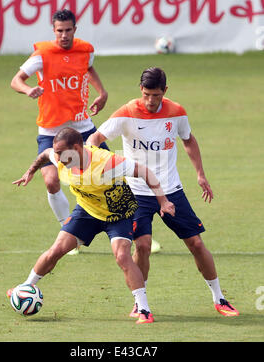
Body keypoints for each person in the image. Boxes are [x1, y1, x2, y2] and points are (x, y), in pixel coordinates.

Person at [87, 67, 239, 317]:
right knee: (143, 246)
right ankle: (140, 304)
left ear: (164, 92)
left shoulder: (176, 112)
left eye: (155, 95)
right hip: (136, 193)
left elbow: (188, 140)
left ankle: (219, 298)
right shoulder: (126, 113)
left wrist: (200, 174)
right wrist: (104, 164)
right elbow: (94, 140)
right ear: (141, 90)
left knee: (196, 243)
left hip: (170, 191)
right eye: (146, 94)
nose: (150, 100)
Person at [9, 127, 175, 324]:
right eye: (57, 152)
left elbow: (145, 172)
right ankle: (26, 288)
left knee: (122, 256)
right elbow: (44, 155)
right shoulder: (58, 158)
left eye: (62, 153)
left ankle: (143, 309)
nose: (59, 157)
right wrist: (30, 171)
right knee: (56, 250)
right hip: (87, 212)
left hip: (118, 214)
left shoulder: (107, 162)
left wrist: (163, 201)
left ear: (77, 148)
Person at [10, 9, 109, 255]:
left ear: (75, 29)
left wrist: (102, 92)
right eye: (59, 31)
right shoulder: (42, 55)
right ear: (53, 31)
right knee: (52, 181)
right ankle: (69, 233)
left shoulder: (85, 49)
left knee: (112, 178)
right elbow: (16, 80)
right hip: (51, 131)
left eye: (68, 30)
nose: (63, 35)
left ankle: (135, 230)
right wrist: (27, 90)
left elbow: (89, 68)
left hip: (83, 127)